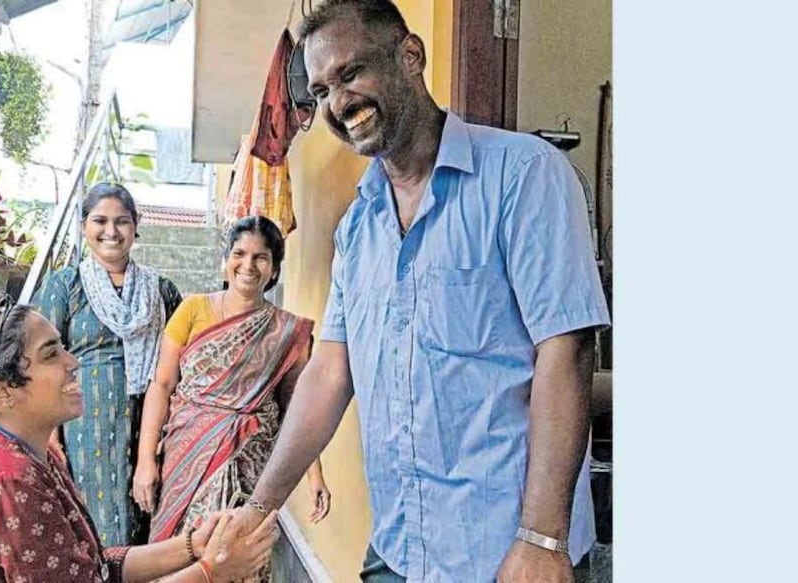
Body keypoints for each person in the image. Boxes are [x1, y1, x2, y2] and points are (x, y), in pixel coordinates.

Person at [226, 2, 611, 582]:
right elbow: (330, 372)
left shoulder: (523, 175)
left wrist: (542, 536)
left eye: (351, 73)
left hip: (508, 555)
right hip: (399, 549)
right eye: (322, 90)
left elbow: (567, 349)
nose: (337, 103)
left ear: (410, 55)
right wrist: (259, 508)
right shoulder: (358, 227)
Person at [0, 294, 278, 582]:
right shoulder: (8, 481)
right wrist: (212, 573)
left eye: (63, 347)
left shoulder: (29, 454)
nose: (72, 362)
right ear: (2, 391)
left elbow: (93, 568)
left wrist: (192, 546)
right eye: (50, 354)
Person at [131, 216, 331, 581]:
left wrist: (314, 474)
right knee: (179, 551)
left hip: (249, 464)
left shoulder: (289, 332)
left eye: (261, 257)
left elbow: (297, 408)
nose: (248, 265)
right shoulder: (192, 309)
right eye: (240, 254)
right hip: (186, 453)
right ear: (226, 259)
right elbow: (161, 385)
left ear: (274, 268)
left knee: (241, 555)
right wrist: (146, 461)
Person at [32, 183, 182, 547]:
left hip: (150, 427)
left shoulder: (162, 291)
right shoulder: (65, 286)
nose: (111, 231)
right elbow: (39, 364)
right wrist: (51, 438)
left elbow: (181, 365)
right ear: (84, 226)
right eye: (100, 221)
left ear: (135, 225)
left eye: (122, 221)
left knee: (147, 533)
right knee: (90, 533)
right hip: (85, 434)